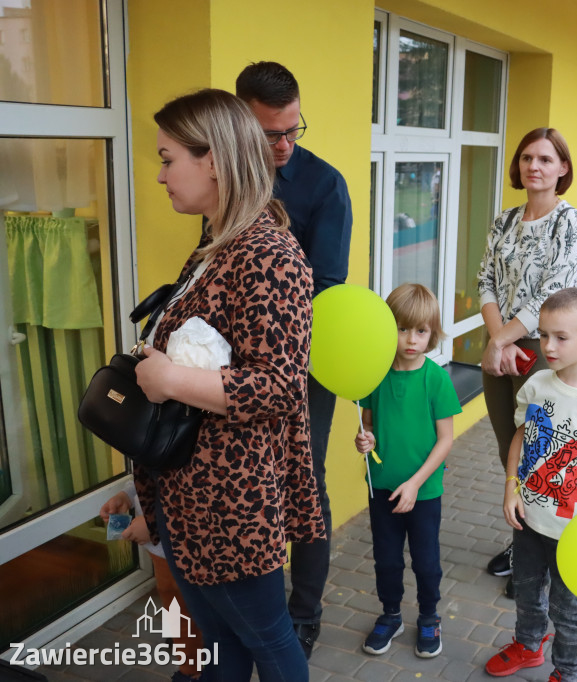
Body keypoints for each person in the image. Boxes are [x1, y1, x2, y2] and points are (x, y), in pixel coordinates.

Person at [135, 88, 324, 681]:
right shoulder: (216, 245)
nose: (162, 175)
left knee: (269, 644)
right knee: (219, 647)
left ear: (213, 159)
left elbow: (280, 386)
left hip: (231, 508)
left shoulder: (267, 253)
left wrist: (169, 377)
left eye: (168, 159)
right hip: (195, 500)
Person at [234, 61, 353, 658]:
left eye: (292, 130)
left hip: (305, 366)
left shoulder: (324, 185)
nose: (283, 145)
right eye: (269, 134)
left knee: (304, 483)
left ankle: (303, 611)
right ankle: (244, 601)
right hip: (232, 368)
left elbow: (327, 285)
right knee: (245, 480)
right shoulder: (225, 179)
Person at [484, 288, 577, 682]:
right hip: (529, 521)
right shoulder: (537, 385)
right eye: (544, 334)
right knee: (528, 594)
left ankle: (568, 671)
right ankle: (528, 646)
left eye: (561, 337)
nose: (548, 345)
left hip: (574, 535)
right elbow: (520, 437)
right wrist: (511, 487)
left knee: (569, 611)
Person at [476, 128, 577, 595]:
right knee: (512, 453)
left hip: (544, 354)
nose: (534, 166)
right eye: (526, 158)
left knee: (543, 459)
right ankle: (521, 541)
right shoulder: (504, 220)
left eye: (545, 159)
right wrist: (498, 342)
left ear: (563, 168)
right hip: (503, 353)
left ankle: (542, 563)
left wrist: (501, 341)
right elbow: (485, 280)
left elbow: (552, 292)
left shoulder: (571, 222)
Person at [354, 283, 461, 658]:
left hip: (423, 491)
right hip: (381, 487)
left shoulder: (436, 378)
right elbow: (367, 426)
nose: (411, 340)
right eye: (402, 329)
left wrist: (416, 483)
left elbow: (445, 440)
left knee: (426, 561)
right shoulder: (376, 375)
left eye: (421, 331)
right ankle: (391, 614)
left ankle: (429, 616)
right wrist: (363, 439)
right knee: (386, 558)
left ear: (432, 334)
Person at [101, 482, 205, 682]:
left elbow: (196, 482)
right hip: (162, 546)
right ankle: (191, 667)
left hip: (187, 544)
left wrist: (155, 522)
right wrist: (127, 495)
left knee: (189, 615)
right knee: (178, 610)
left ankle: (193, 672)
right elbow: (148, 469)